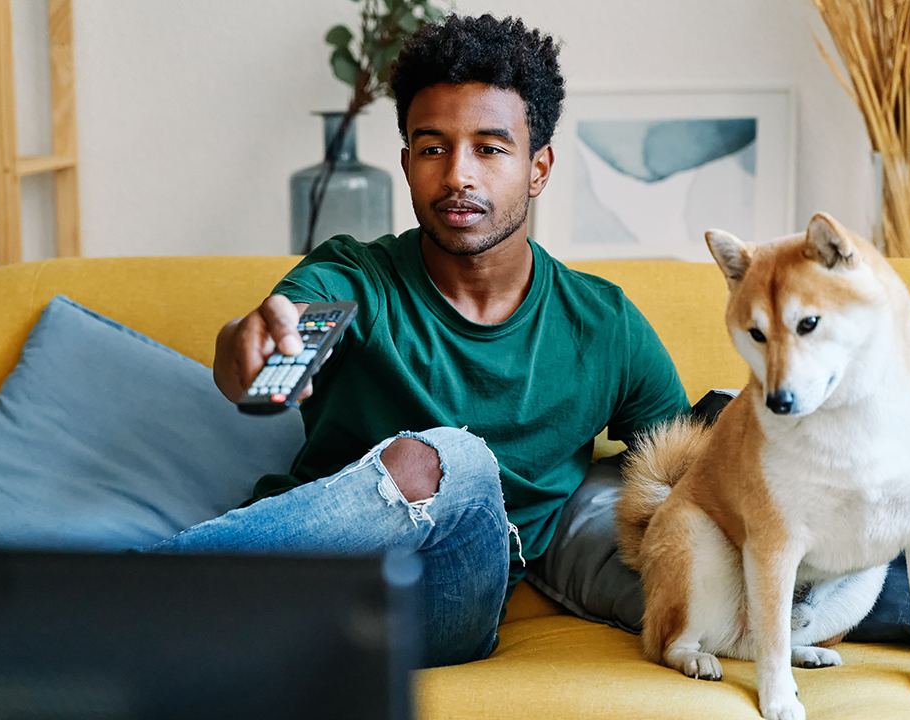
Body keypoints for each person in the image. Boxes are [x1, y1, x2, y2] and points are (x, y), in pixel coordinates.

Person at [148, 13, 691, 668]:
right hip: (300, 580)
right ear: (407, 164)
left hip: (442, 608)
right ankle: (155, 604)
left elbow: (688, 477)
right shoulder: (356, 276)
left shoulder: (605, 327)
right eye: (433, 149)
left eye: (490, 149)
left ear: (538, 167)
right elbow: (264, 347)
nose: (458, 174)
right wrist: (248, 343)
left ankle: (128, 595)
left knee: (454, 458)